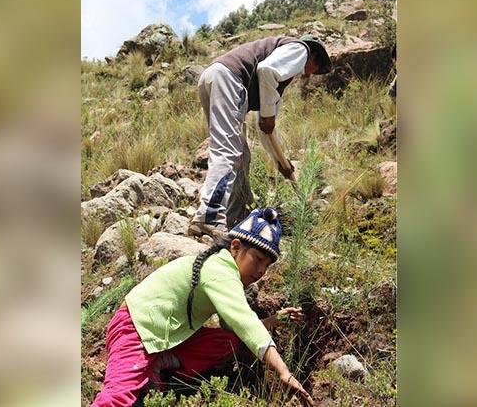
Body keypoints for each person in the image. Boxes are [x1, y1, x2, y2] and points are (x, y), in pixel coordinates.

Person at [91, 208, 314, 407]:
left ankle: (160, 362)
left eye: (267, 265)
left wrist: (273, 320)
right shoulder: (220, 271)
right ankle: (155, 367)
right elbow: (245, 320)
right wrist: (283, 371)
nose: (261, 271)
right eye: (257, 259)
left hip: (165, 334)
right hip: (136, 328)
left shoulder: (223, 269)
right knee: (118, 398)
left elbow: (240, 326)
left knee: (228, 341)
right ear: (236, 247)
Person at [188, 35, 331, 239]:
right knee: (228, 152)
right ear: (314, 57)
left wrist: (282, 163)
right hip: (229, 79)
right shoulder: (301, 50)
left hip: (213, 77)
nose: (311, 74)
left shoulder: (277, 81)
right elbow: (266, 71)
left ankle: (233, 221)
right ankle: (209, 217)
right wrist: (268, 116)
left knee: (241, 157)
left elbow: (266, 129)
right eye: (315, 69)